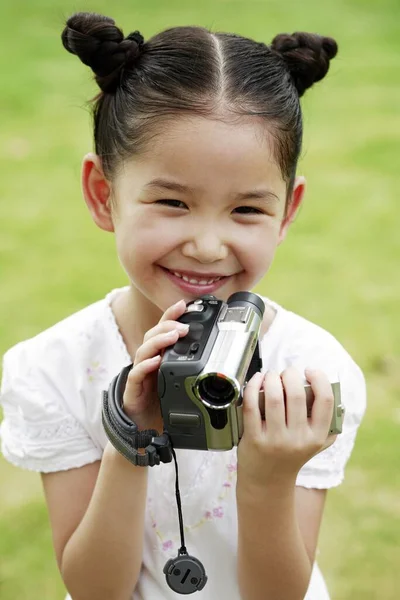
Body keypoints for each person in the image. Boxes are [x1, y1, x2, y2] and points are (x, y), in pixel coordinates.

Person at [0, 11, 366, 600]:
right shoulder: (54, 367)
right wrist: (130, 437)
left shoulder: (310, 372)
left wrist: (269, 479)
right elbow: (97, 590)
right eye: (172, 201)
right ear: (103, 194)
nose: (207, 244)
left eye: (247, 209)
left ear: (287, 213)